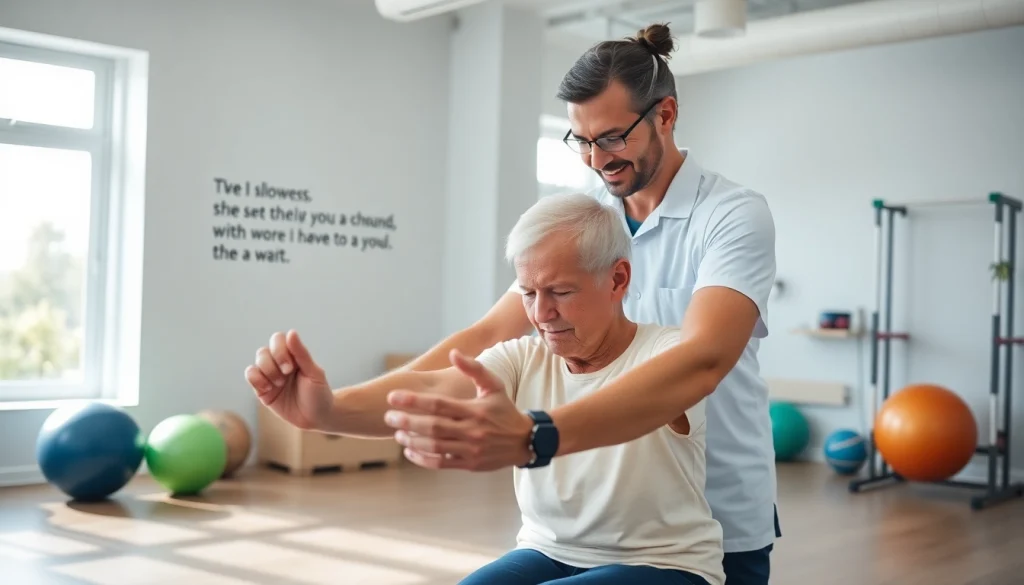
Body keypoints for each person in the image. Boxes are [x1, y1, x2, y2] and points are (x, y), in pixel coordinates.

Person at [387, 23, 779, 585]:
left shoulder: (732, 215)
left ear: (665, 116)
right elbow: (488, 334)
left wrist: (536, 433)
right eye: (582, 141)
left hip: (714, 514)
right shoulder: (584, 216)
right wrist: (340, 404)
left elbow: (703, 361)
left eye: (613, 137)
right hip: (593, 515)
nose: (596, 159)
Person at [246, 192, 726, 585]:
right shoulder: (524, 356)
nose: (540, 314)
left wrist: (533, 433)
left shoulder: (666, 353)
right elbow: (436, 387)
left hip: (665, 564)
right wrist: (326, 411)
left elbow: (626, 407)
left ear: (617, 279)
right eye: (528, 293)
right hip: (548, 551)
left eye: (560, 292)